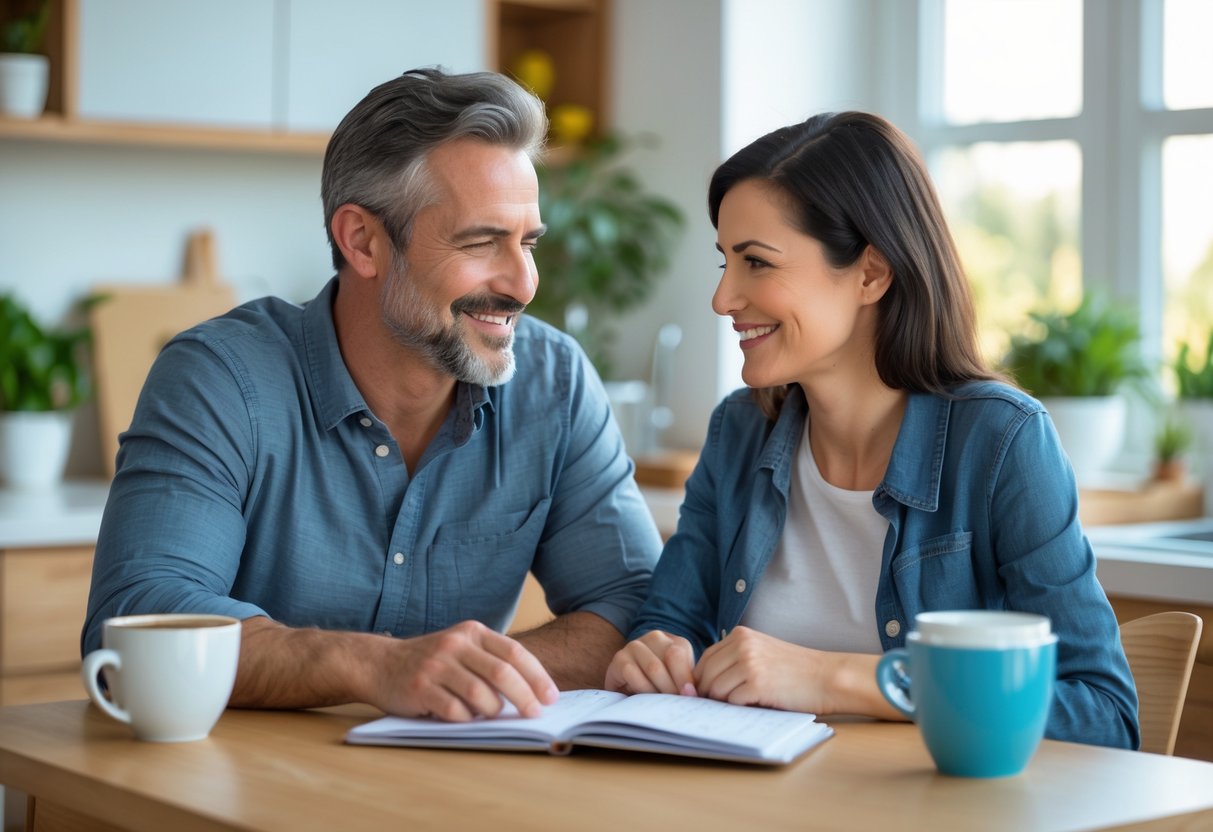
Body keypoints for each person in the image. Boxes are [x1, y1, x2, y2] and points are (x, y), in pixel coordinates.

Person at [83, 68, 662, 723]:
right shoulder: (219, 379)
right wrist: (373, 666)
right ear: (362, 241)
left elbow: (638, 608)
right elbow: (137, 619)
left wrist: (466, 674)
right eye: (480, 242)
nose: (523, 283)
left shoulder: (554, 382)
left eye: (526, 242)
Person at [603, 111, 1139, 749]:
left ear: (871, 274)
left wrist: (837, 679)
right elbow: (670, 622)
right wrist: (652, 654)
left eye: (756, 264)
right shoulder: (738, 432)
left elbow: (1104, 714)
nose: (723, 298)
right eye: (725, 262)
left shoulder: (1001, 440)